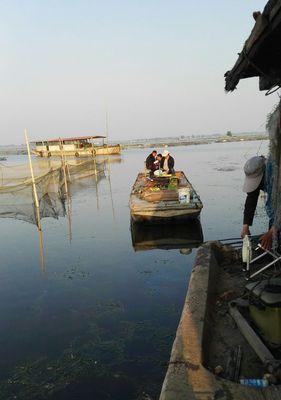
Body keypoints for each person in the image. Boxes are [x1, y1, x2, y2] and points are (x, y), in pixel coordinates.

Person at [240, 155, 274, 250]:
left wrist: (272, 232)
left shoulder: (276, 177)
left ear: (264, 174)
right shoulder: (262, 176)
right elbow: (252, 197)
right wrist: (245, 225)